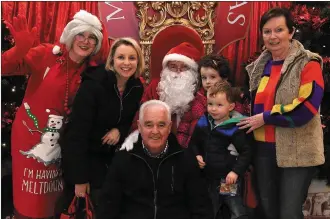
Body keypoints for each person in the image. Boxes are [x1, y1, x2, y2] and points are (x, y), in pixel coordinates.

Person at [1, 10, 109, 218]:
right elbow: (4, 66)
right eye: (81, 34)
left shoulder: (91, 73)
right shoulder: (48, 54)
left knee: (53, 203)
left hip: (61, 148)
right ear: (71, 33)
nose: (85, 41)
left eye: (92, 37)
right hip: (29, 141)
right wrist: (19, 49)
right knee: (29, 202)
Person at [237, 7, 325, 219]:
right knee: (268, 210)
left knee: (288, 213)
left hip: (296, 151)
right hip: (263, 150)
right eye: (267, 31)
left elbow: (306, 109)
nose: (272, 36)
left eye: (279, 30)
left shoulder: (308, 62)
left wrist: (266, 117)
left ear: (291, 32)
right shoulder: (259, 66)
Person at [61, 37, 144, 210]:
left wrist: (119, 130)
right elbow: (76, 134)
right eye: (121, 57)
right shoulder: (93, 85)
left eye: (132, 58)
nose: (126, 63)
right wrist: (79, 179)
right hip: (87, 160)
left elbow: (129, 119)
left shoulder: (136, 87)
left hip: (112, 160)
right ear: (112, 59)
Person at [97, 100, 213, 219]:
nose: (155, 131)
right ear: (139, 127)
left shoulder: (185, 159)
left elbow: (201, 208)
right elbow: (107, 208)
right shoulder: (123, 160)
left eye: (161, 125)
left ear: (169, 127)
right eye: (149, 125)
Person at [121, 42, 206, 150]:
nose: (178, 72)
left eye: (184, 67)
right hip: (155, 142)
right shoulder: (156, 86)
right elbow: (141, 115)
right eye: (173, 67)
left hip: (190, 148)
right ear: (166, 68)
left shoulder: (200, 90)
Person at [189, 81, 252, 219]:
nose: (213, 109)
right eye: (210, 104)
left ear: (231, 106)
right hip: (208, 177)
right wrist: (197, 156)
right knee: (210, 209)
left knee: (235, 209)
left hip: (227, 179)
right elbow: (194, 143)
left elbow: (246, 152)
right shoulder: (203, 122)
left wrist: (235, 172)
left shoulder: (235, 128)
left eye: (219, 105)